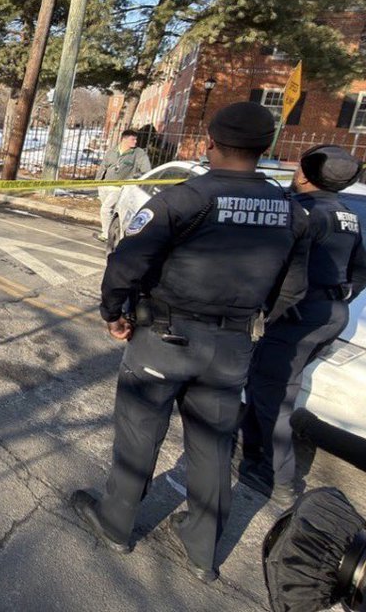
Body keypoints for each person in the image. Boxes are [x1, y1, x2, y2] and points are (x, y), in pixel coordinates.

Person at [70, 101, 311, 583]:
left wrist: (113, 314)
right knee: (213, 446)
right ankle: (203, 552)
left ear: (211, 143)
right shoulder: (294, 214)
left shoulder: (183, 199)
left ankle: (117, 524)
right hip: (231, 346)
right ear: (267, 149)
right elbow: (293, 291)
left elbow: (126, 263)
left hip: (165, 337)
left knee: (140, 433)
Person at [239, 145, 366, 506]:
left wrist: (278, 309)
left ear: (306, 175)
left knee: (274, 395)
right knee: (263, 380)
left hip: (299, 313)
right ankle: (251, 453)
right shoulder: (347, 215)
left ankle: (278, 480)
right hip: (330, 311)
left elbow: (279, 266)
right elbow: (361, 275)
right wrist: (334, 300)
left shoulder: (305, 213)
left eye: (298, 169)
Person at [94, 129, 152, 242]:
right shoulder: (113, 151)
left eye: (136, 139)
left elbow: (146, 170)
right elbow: (103, 166)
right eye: (133, 139)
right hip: (104, 185)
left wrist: (135, 178)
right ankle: (113, 233)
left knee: (105, 209)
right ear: (124, 139)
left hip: (119, 188)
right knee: (108, 211)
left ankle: (106, 235)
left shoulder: (138, 153)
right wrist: (97, 182)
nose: (135, 142)